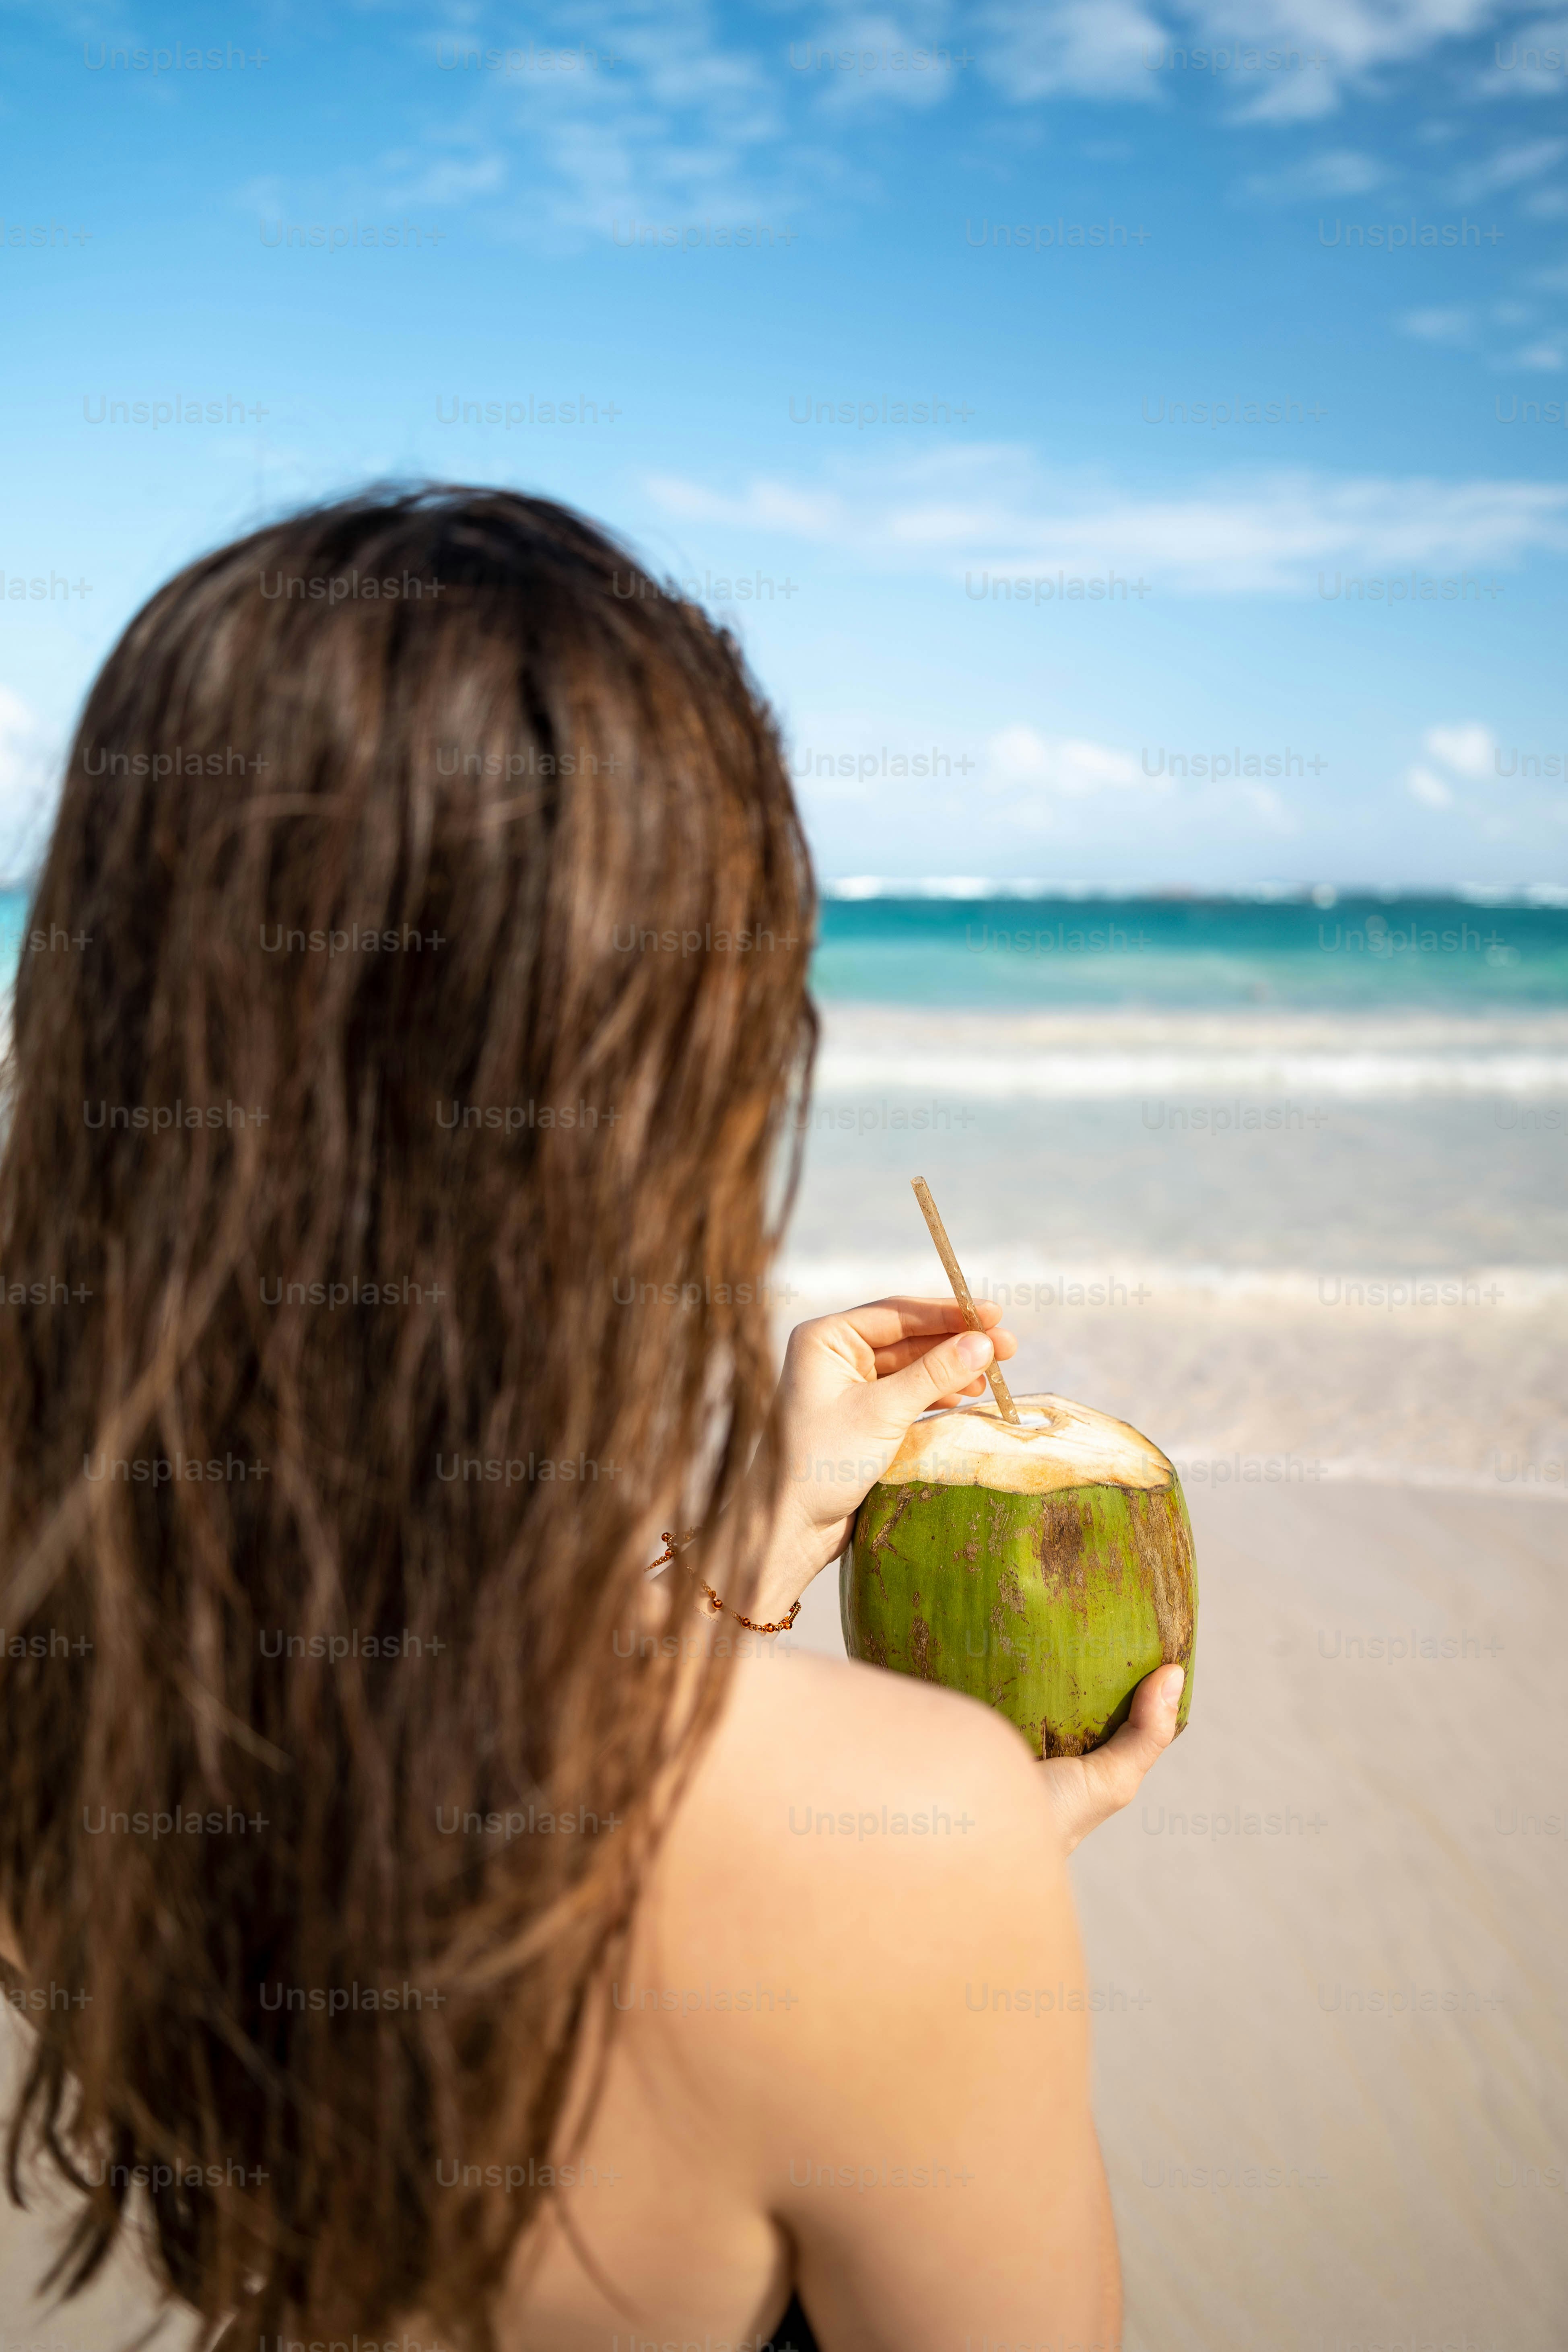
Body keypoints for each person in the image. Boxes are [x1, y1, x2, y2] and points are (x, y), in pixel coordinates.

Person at [0, 488, 1181, 2352]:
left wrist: (740, 1563)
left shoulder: (91, 1675)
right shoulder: (899, 1848)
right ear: (658, 1102)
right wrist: (946, 1870)